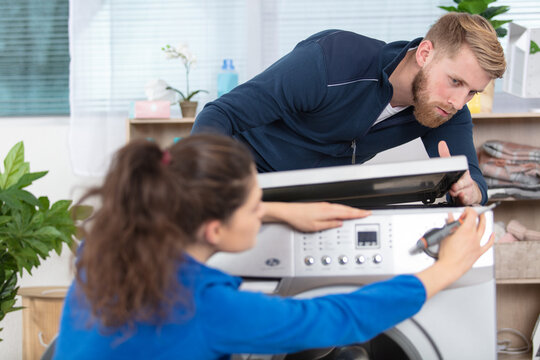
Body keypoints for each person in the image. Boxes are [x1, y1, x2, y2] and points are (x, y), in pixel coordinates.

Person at [54, 134, 493, 359]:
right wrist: (442, 271)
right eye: (253, 207)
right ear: (213, 230)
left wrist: (277, 212)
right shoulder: (205, 307)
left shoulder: (102, 253)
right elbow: (335, 318)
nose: (263, 208)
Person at [191, 13, 506, 206]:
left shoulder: (445, 110)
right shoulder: (330, 62)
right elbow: (219, 115)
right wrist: (219, 188)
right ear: (425, 53)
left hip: (316, 202)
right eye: (454, 81)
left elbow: (471, 179)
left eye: (472, 92)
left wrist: (472, 190)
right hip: (246, 181)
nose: (458, 102)